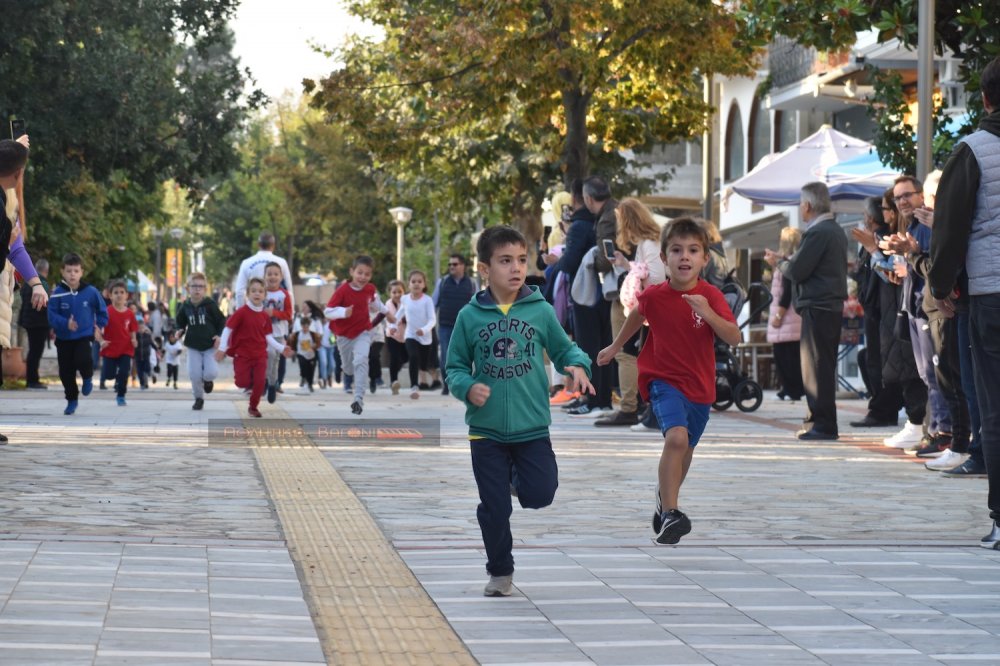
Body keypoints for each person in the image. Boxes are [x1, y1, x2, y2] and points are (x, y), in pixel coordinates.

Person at [446, 225, 594, 596]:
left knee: (540, 493)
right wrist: (467, 388)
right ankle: (500, 571)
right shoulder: (469, 316)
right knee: (494, 507)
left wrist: (578, 365)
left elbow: (565, 349)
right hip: (486, 430)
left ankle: (516, 480)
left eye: (522, 260)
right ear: (485, 268)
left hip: (531, 427)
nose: (516, 268)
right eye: (505, 261)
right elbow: (455, 368)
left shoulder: (539, 310)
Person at [598, 218, 739, 545]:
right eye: (677, 250)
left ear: (705, 258)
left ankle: (665, 499)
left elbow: (733, 336)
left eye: (693, 250)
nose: (684, 257)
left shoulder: (711, 296)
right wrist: (616, 346)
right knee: (676, 438)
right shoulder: (656, 295)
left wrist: (708, 313)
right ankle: (672, 514)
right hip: (662, 380)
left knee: (686, 449)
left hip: (701, 387)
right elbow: (637, 313)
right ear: (664, 258)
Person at [928, 55, 1000, 545]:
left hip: (990, 297)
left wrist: (941, 286)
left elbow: (950, 231)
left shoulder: (972, 151)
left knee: (994, 406)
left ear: (986, 98)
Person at [765, 182, 847, 440]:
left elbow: (798, 270)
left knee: (816, 366)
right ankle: (818, 419)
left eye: (801, 203)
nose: (801, 208)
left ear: (808, 205)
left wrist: (779, 262)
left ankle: (823, 423)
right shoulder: (833, 230)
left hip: (819, 305)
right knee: (818, 364)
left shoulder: (819, 232)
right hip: (826, 305)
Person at [597, 198, 666, 427]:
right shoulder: (648, 243)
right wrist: (628, 266)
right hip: (651, 309)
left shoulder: (649, 243)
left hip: (652, 309)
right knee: (647, 360)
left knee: (648, 361)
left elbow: (655, 277)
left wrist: (641, 296)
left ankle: (651, 413)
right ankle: (651, 412)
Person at [0, 137, 48, 441]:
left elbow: (16, 247)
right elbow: (11, 245)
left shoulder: (6, 200)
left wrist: (36, 283)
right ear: (18, 174)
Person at [324, 256, 394, 415]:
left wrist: (387, 313)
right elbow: (327, 312)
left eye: (367, 274)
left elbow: (376, 303)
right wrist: (343, 312)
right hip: (343, 335)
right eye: (360, 273)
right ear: (352, 272)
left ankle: (358, 399)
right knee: (349, 368)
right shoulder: (342, 290)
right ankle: (345, 369)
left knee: (362, 360)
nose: (363, 277)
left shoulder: (369, 289)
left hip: (363, 331)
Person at [215, 277, 294, 418]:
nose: (257, 294)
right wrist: (222, 348)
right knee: (242, 383)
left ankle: (253, 407)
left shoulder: (264, 316)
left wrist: (282, 348)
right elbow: (228, 329)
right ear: (248, 293)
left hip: (259, 356)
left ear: (265, 295)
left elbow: (268, 337)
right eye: (253, 291)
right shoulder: (241, 312)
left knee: (259, 382)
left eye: (260, 291)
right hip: (242, 354)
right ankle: (249, 379)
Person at [48, 253, 108, 415]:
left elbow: (103, 312)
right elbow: (51, 316)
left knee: (84, 359)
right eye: (69, 271)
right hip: (63, 338)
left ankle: (87, 378)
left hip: (84, 335)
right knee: (66, 372)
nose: (72, 274)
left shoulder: (91, 292)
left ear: (81, 272)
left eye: (75, 271)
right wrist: (65, 323)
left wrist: (99, 327)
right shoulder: (57, 293)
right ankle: (72, 400)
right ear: (62, 272)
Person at [175, 272, 226, 410]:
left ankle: (208, 381)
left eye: (201, 286)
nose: (197, 289)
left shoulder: (210, 304)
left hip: (210, 345)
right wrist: (179, 330)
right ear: (187, 288)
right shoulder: (185, 306)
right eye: (194, 286)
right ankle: (198, 398)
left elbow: (222, 321)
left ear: (205, 289)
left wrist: (219, 336)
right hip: (192, 345)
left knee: (211, 372)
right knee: (194, 374)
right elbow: (179, 322)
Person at [766, 227, 805, 402]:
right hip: (793, 319)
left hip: (786, 318)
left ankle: (792, 389)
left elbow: (787, 293)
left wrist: (778, 316)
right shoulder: (792, 262)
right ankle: (790, 388)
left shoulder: (788, 264)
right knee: (790, 357)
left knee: (785, 357)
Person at [432, 253, 476, 396]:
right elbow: (433, 304)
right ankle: (446, 385)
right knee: (445, 357)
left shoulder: (472, 283)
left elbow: (477, 305)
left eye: (455, 264)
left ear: (463, 266)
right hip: (445, 326)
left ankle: (463, 385)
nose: (451, 267)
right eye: (450, 264)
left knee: (465, 357)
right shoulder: (442, 282)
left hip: (465, 327)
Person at [394, 269, 436, 400]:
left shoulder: (427, 300)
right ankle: (414, 386)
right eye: (413, 281)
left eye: (419, 281)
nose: (416, 284)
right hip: (410, 334)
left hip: (425, 336)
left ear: (424, 284)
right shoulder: (405, 299)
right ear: (409, 284)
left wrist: (424, 330)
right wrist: (391, 326)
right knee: (413, 356)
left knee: (423, 363)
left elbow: (432, 320)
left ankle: (422, 372)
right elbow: (399, 315)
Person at [99, 279, 138, 406]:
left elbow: (132, 329)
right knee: (109, 375)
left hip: (126, 348)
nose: (119, 295)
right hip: (110, 348)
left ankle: (121, 395)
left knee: (124, 372)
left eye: (122, 292)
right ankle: (116, 379)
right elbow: (98, 328)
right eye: (116, 292)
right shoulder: (106, 311)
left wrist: (134, 339)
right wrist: (101, 340)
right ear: (110, 296)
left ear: (127, 295)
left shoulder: (130, 314)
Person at [233, 232, 293, 310]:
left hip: (254, 312)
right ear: (273, 245)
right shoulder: (281, 262)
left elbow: (239, 291)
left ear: (258, 245)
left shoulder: (246, 263)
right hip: (277, 314)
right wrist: (291, 314)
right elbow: (289, 291)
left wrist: (240, 312)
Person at [263, 262, 293, 404]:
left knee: (274, 360)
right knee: (266, 356)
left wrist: (273, 313)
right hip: (262, 333)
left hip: (278, 332)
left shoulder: (284, 294)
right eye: (269, 274)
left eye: (276, 274)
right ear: (264, 276)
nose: (272, 277)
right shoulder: (260, 292)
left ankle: (271, 384)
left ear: (281, 277)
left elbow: (288, 314)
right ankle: (263, 381)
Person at [19, 258, 50, 390]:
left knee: (33, 351)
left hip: (29, 321)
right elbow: (45, 304)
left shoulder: (27, 283)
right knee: (36, 352)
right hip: (39, 322)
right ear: (46, 270)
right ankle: (32, 380)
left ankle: (32, 379)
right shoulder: (41, 283)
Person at [384, 280, 408, 394]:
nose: (397, 294)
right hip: (392, 336)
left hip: (405, 336)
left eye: (400, 292)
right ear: (390, 293)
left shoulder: (407, 303)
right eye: (394, 292)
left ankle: (396, 374)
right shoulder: (388, 305)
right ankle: (394, 381)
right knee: (394, 358)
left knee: (405, 358)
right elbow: (391, 319)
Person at [288, 315, 322, 392]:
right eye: (304, 327)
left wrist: (314, 346)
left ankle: (310, 384)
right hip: (301, 354)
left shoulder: (313, 334)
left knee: (311, 370)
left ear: (309, 326)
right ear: (301, 326)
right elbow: (292, 342)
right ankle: (303, 377)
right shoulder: (297, 334)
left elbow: (318, 343)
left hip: (311, 354)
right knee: (303, 367)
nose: (305, 329)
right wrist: (292, 349)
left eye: (307, 327)